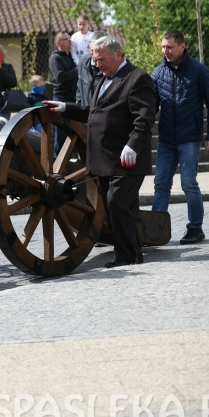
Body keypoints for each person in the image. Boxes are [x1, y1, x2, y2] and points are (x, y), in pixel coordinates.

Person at [45, 36, 156, 268]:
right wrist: (66, 108)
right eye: (95, 60)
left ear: (118, 54)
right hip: (105, 159)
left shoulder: (137, 78)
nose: (97, 65)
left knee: (117, 203)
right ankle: (133, 253)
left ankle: (125, 255)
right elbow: (94, 112)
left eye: (101, 59)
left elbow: (144, 119)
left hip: (126, 158)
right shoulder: (103, 80)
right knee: (120, 207)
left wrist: (132, 145)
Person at [151, 30, 209, 244]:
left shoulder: (199, 71)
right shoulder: (158, 73)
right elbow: (150, 106)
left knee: (189, 183)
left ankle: (195, 228)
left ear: (183, 46)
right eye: (163, 47)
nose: (166, 51)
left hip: (189, 138)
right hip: (166, 140)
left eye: (170, 47)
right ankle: (155, 229)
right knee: (161, 183)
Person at [49, 31, 79, 154]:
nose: (69, 40)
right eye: (66, 39)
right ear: (58, 43)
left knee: (76, 133)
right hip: (62, 98)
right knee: (61, 136)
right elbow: (60, 76)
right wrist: (76, 71)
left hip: (73, 98)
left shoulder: (72, 56)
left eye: (69, 38)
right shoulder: (55, 58)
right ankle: (58, 165)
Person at [75, 29, 109, 106]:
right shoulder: (83, 61)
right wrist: (78, 107)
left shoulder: (110, 67)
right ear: (89, 48)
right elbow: (80, 88)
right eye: (96, 49)